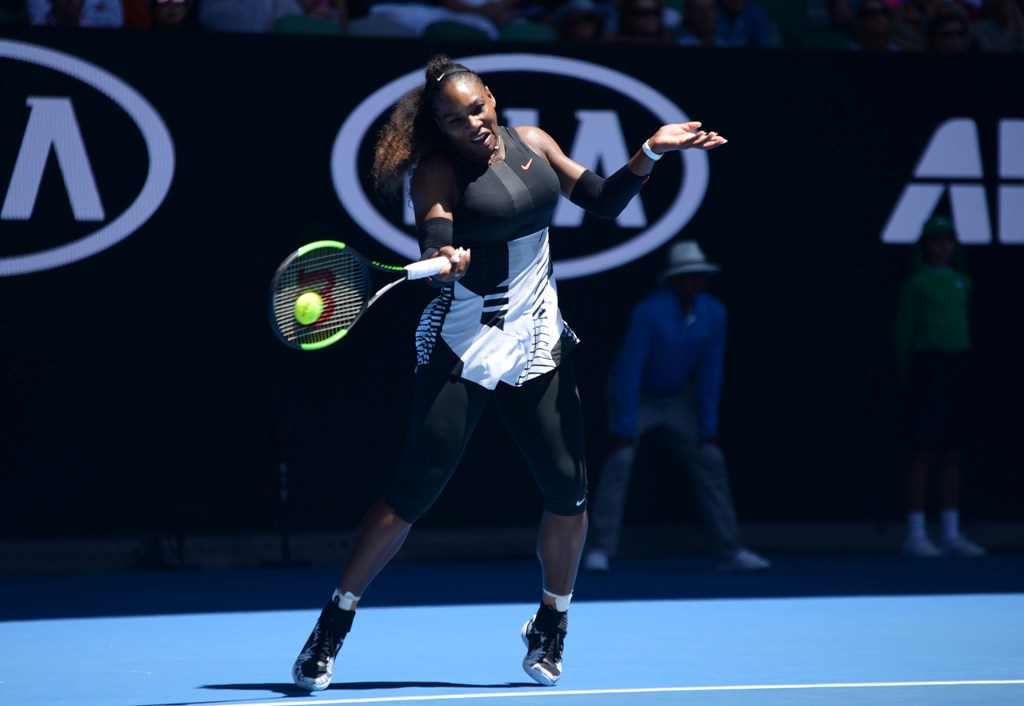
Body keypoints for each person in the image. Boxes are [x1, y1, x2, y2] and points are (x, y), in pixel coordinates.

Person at [289, 54, 727, 692]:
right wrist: (446, 253)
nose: (472, 123)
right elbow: (434, 228)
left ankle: (551, 623)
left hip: (540, 340)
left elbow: (603, 201)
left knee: (568, 493)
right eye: (454, 119)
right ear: (439, 128)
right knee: (410, 495)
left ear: (491, 98)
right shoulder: (436, 172)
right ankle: (331, 627)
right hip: (467, 346)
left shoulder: (537, 143)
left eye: (477, 108)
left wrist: (651, 153)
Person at [582, 241, 770, 574]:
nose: (692, 283)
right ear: (673, 281)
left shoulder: (715, 314)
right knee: (621, 459)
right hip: (635, 395)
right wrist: (624, 428)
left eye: (698, 277)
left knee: (711, 459)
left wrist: (708, 430)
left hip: (678, 398)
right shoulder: (649, 312)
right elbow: (630, 370)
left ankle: (730, 549)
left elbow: (711, 373)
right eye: (685, 277)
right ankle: (600, 548)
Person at [894, 216, 986, 559]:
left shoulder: (963, 282)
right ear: (926, 245)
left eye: (947, 240)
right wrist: (909, 376)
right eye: (935, 240)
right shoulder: (916, 285)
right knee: (922, 451)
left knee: (952, 452)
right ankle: (916, 533)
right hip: (926, 370)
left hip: (956, 368)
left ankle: (950, 531)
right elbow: (903, 335)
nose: (941, 247)